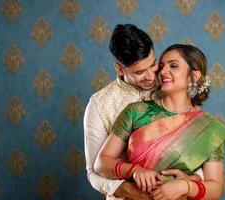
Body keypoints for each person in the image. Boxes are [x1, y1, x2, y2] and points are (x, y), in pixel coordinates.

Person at [94, 44, 225, 200]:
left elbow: (215, 188)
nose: (163, 72)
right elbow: (101, 163)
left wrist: (185, 186)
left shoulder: (208, 128)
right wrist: (134, 170)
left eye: (173, 66)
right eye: (161, 66)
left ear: (194, 76)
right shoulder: (136, 112)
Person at [84, 25, 202, 200]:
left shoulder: (169, 86)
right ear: (119, 69)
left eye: (153, 64)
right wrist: (136, 191)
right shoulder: (99, 105)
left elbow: (197, 151)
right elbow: (94, 173)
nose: (150, 76)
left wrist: (190, 182)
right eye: (139, 72)